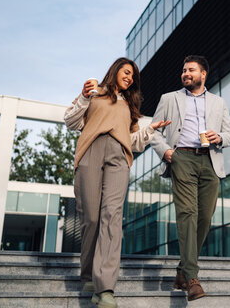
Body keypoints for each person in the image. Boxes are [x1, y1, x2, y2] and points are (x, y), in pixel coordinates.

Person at [64, 57, 170, 308]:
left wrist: (150, 129)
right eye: (126, 72)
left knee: (111, 217)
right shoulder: (94, 93)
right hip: (91, 152)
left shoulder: (129, 105)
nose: (130, 77)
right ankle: (88, 274)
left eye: (133, 75)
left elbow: (132, 141)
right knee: (91, 218)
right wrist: (83, 97)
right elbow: (71, 121)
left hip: (119, 158)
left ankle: (106, 288)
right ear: (115, 71)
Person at [150, 55, 230, 301]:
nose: (186, 73)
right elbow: (153, 131)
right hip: (181, 158)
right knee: (187, 212)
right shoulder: (169, 98)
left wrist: (219, 136)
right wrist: (166, 151)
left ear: (203, 74)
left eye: (191, 70)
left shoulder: (219, 102)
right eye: (184, 70)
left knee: (205, 217)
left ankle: (181, 270)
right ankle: (192, 278)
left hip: (210, 160)